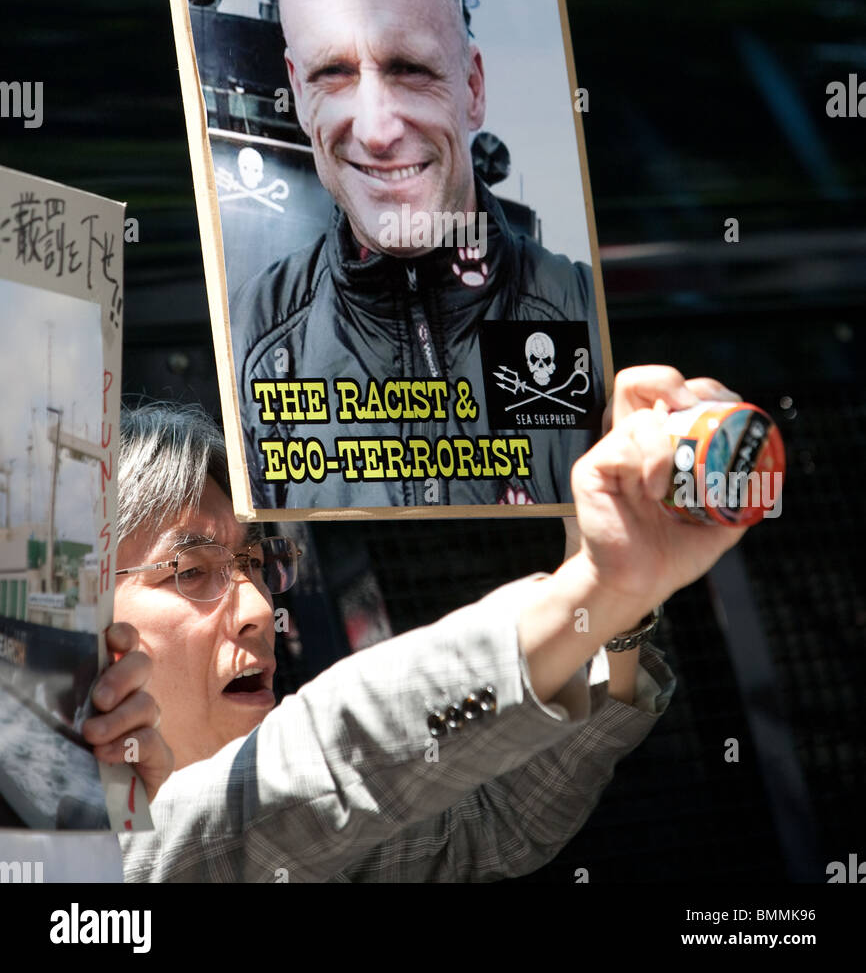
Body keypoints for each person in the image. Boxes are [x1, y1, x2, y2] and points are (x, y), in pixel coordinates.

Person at [83, 367, 750, 882]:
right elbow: (327, 756)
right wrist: (598, 586)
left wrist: (615, 603)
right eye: (190, 571)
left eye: (256, 565)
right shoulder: (74, 859)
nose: (259, 609)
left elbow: (503, 819)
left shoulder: (330, 854)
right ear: (83, 630)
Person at [231, 0, 605, 512]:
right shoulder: (247, 338)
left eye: (410, 70)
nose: (377, 131)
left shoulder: (590, 317)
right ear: (298, 91)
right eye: (334, 74)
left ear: (473, 88)